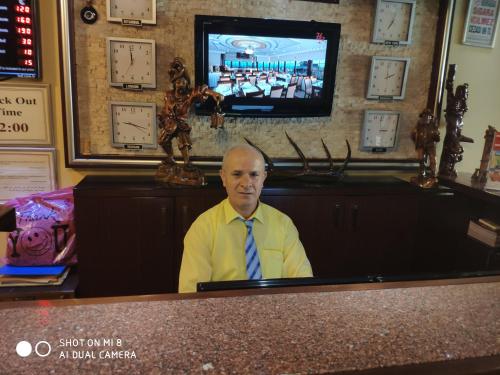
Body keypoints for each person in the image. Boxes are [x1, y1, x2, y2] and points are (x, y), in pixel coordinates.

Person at [178, 144, 313, 293]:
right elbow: (190, 294)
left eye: (254, 174)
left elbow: (303, 284)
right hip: (222, 312)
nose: (246, 183)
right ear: (223, 177)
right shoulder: (202, 228)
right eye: (237, 174)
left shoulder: (283, 224)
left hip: (275, 309)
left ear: (263, 178)